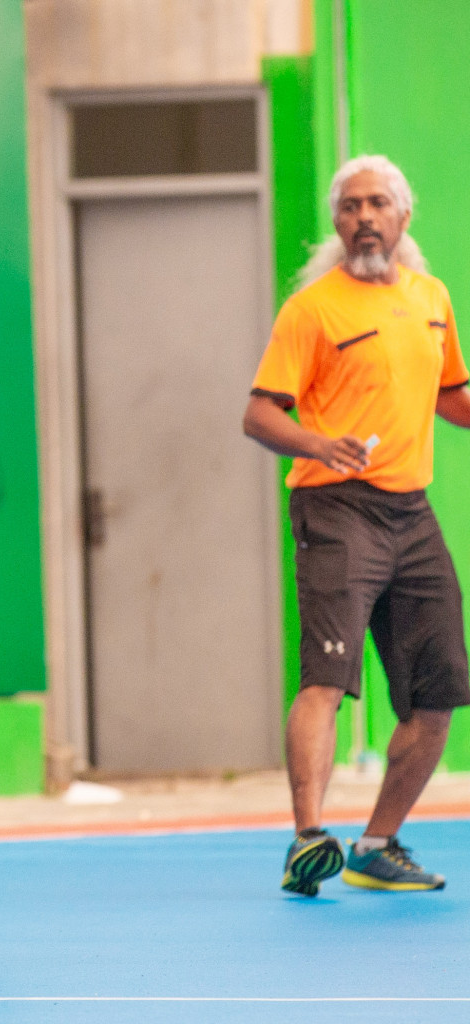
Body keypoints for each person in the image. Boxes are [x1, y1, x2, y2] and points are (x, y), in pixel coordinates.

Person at [243, 154, 470, 895]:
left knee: (437, 694)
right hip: (337, 509)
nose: (364, 217)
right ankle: (308, 840)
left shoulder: (433, 298)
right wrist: (318, 443)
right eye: (350, 206)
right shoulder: (312, 310)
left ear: (403, 217)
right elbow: (259, 413)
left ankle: (377, 845)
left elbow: (451, 397)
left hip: (413, 511)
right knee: (328, 678)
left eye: (378, 204)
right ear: (338, 223)